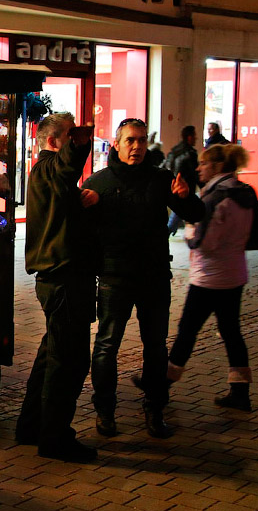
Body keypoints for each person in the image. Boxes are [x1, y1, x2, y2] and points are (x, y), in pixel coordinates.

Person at [82, 118, 204, 439]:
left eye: (140, 141)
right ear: (116, 144)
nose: (136, 147)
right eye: (130, 141)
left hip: (153, 276)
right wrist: (88, 209)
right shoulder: (99, 183)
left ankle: (154, 408)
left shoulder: (161, 179)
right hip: (114, 277)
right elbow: (81, 231)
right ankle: (105, 411)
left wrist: (186, 197)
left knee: (155, 346)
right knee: (107, 346)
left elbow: (196, 213)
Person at [15, 112, 101, 463]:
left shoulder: (50, 176)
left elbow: (63, 206)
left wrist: (84, 201)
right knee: (70, 362)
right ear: (53, 142)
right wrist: (81, 139)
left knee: (53, 356)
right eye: (68, 136)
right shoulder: (50, 166)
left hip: (62, 278)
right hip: (64, 280)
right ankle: (54, 438)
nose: (75, 141)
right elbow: (67, 165)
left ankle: (31, 426)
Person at [168, 144, 256, 412]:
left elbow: (203, 243)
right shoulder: (245, 192)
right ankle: (240, 391)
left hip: (209, 277)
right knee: (231, 332)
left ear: (217, 167)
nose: (198, 168)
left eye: (203, 163)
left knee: (187, 330)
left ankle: (161, 384)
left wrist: (190, 231)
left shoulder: (214, 199)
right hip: (235, 273)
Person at [164, 126, 199, 235]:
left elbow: (166, 166)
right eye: (194, 136)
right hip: (184, 188)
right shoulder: (190, 153)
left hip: (174, 186)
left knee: (180, 212)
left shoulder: (175, 150)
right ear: (189, 137)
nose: (196, 138)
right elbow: (194, 173)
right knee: (179, 212)